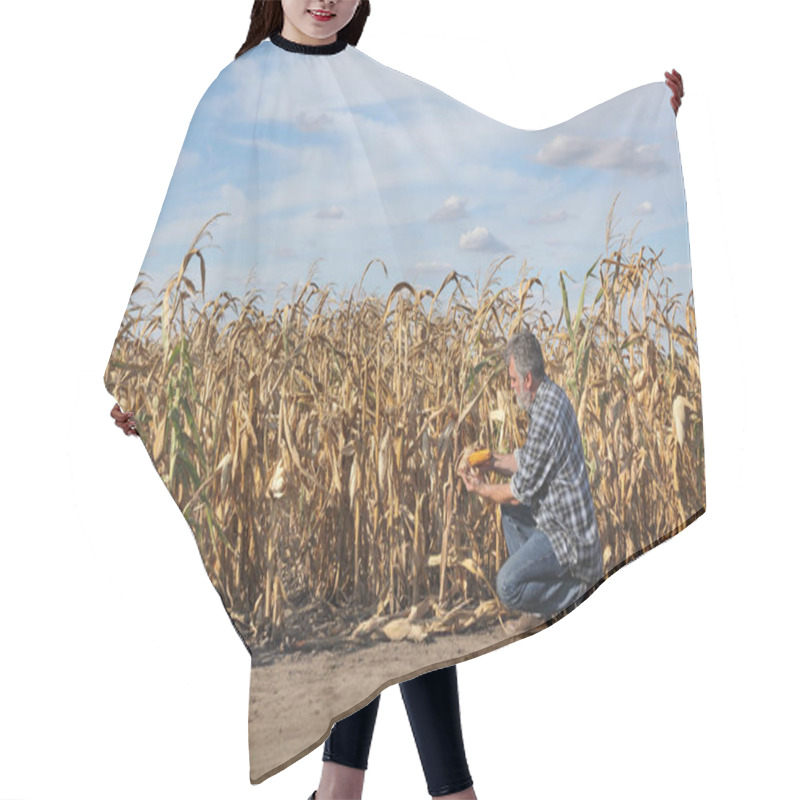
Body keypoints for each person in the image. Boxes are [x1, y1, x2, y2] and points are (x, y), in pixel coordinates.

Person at [109, 2, 685, 798]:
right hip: (290, 403)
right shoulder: (235, 94)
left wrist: (636, 139)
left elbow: (487, 164)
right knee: (370, 597)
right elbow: (184, 249)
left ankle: (355, 789)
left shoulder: (376, 88)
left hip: (381, 379)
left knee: (400, 586)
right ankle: (414, 790)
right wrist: (149, 381)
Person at [457, 330, 604, 637]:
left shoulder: (548, 413)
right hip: (555, 521)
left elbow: (516, 493)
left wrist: (481, 488)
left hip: (568, 537)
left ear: (526, 380)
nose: (510, 387)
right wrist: (492, 460)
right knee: (510, 516)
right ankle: (537, 613)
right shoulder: (548, 399)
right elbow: (528, 460)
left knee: (508, 586)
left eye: (512, 380)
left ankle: (578, 594)